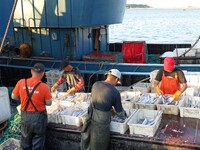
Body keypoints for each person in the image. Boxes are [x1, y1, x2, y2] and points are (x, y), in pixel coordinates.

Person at [81, 69, 127, 150]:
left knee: (90, 141)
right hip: (101, 122)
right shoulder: (115, 92)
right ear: (116, 79)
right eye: (117, 82)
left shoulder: (96, 84)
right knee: (99, 145)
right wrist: (125, 115)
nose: (116, 84)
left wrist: (111, 109)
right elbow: (120, 113)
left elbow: (101, 101)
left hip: (90, 116)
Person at [11, 63, 52, 150]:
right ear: (43, 73)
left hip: (25, 117)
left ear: (31, 71)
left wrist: (22, 98)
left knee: (25, 141)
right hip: (39, 118)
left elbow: (13, 96)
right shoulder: (44, 87)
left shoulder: (21, 82)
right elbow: (49, 103)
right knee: (38, 140)